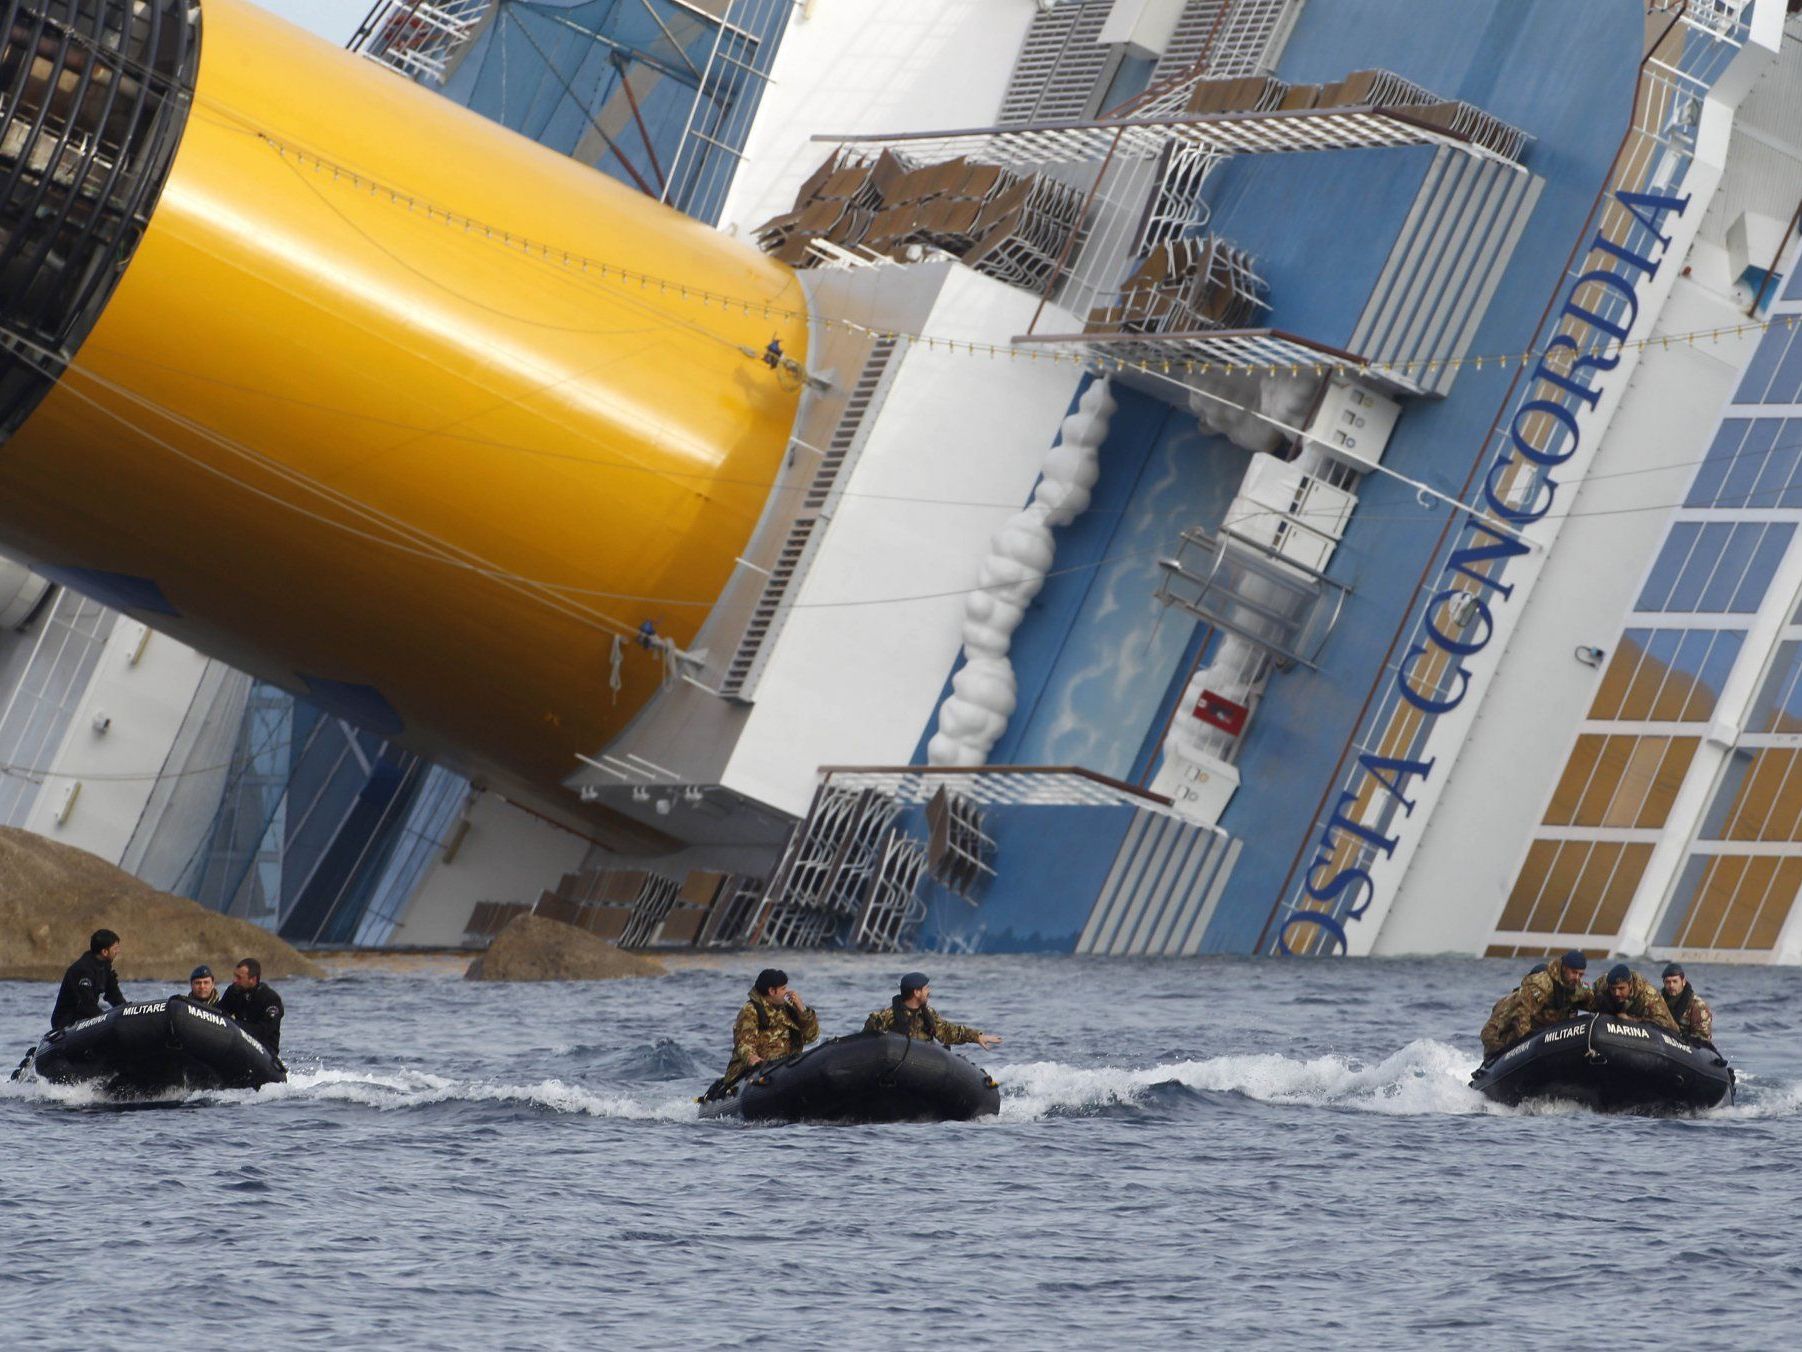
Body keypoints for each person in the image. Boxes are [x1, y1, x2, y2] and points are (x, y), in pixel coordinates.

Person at [721, 968, 818, 1086]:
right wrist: (752, 1058)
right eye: (783, 989)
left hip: (783, 1068)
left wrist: (802, 1010)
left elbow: (812, 1036)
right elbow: (743, 1043)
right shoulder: (750, 1010)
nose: (787, 992)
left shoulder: (788, 1009)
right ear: (772, 991)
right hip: (756, 1073)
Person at [863, 972, 1001, 1050]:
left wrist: (977, 1037)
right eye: (926, 988)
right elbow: (864, 1043)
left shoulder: (928, 1014)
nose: (929, 991)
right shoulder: (885, 1017)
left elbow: (948, 1032)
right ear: (917, 992)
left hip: (924, 1065)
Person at [1495, 950, 1593, 1047]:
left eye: (1580, 975)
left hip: (1556, 1034)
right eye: (1574, 972)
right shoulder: (1541, 984)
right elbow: (1521, 1013)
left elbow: (1593, 1002)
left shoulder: (1578, 987)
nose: (1577, 978)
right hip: (1531, 1034)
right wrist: (1526, 1043)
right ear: (1564, 968)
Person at [50, 929, 126, 1030]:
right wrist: (105, 1020)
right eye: (115, 948)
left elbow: (114, 995)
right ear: (104, 951)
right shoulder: (82, 970)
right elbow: (86, 1003)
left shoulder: (104, 967)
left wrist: (126, 1012)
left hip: (86, 1020)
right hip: (66, 1023)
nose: (118, 951)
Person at [1591, 963, 1681, 1034]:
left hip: (1649, 1029)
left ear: (1630, 985)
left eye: (1621, 988)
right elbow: (1587, 999)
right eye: (1613, 989)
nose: (1616, 993)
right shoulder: (1602, 985)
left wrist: (1631, 1020)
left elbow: (1667, 1026)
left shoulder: (1648, 995)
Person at [1479, 962, 1546, 1059]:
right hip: (1506, 1053)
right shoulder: (1512, 1001)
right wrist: (1503, 1051)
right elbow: (1488, 1032)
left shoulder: (1551, 1006)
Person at [219, 958, 284, 1053]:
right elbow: (219, 1011)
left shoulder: (271, 999)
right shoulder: (234, 992)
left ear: (252, 979)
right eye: (235, 976)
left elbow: (263, 1030)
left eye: (239, 977)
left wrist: (232, 1024)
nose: (234, 980)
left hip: (264, 1051)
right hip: (239, 1044)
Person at [1660, 962, 1714, 1046]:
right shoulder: (1658, 1001)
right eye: (1667, 982)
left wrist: (1684, 1038)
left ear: (1683, 982)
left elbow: (1703, 1038)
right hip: (1663, 1042)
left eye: (1675, 981)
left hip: (1689, 1047)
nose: (1671, 985)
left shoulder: (1698, 1005)